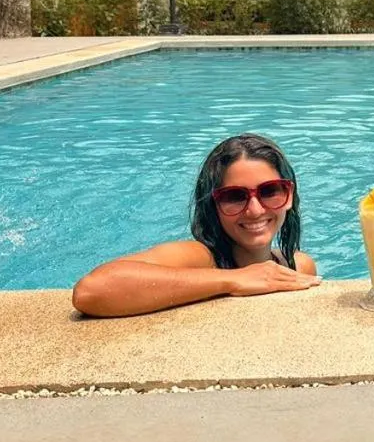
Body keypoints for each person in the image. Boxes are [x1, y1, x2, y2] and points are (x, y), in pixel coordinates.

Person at [72, 134, 321, 318]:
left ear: (290, 196)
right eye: (234, 196)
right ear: (212, 206)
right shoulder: (201, 258)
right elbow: (92, 290)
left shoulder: (298, 265)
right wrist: (233, 280)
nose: (255, 210)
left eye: (270, 191)